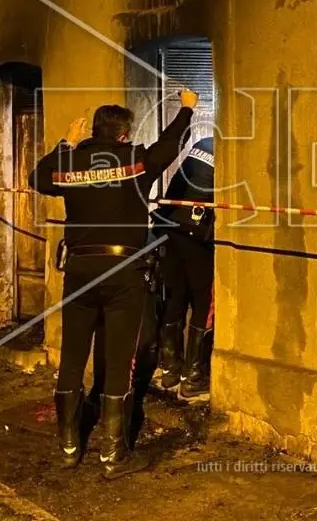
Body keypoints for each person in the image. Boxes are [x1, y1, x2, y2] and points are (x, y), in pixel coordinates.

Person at [30, 89, 197, 477]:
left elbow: (37, 177)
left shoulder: (70, 164)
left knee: (72, 357)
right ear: (123, 134)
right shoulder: (134, 160)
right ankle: (113, 455)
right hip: (123, 272)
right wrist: (187, 109)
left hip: (80, 271)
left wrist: (66, 143)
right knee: (119, 361)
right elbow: (168, 146)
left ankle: (70, 447)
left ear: (93, 130)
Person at [151, 135, 215, 400]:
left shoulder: (203, 144)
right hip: (194, 233)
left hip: (168, 227)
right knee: (203, 300)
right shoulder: (231, 153)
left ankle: (171, 369)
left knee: (176, 295)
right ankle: (193, 376)